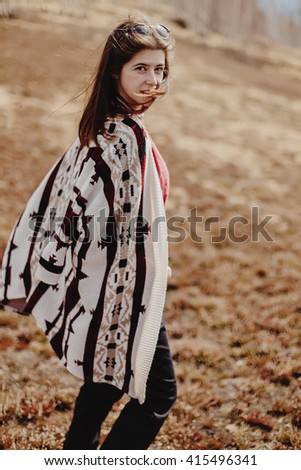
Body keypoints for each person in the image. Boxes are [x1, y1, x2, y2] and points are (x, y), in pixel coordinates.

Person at [0, 17, 177, 450]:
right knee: (158, 393)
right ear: (115, 71)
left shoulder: (103, 125)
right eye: (141, 68)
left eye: (159, 69)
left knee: (105, 382)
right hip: (122, 292)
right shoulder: (122, 136)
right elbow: (87, 213)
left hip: (104, 286)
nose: (152, 79)